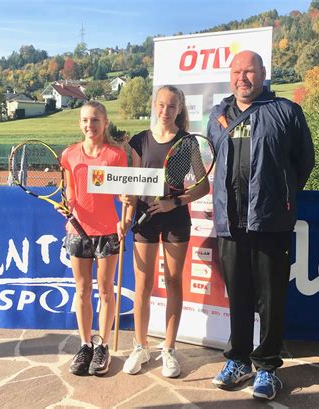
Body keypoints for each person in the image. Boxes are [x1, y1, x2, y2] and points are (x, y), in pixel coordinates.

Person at [207, 50, 315, 400]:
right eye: (237, 71)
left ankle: (267, 367)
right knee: (238, 296)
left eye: (249, 71)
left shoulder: (286, 112)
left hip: (271, 222)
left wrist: (279, 197)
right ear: (230, 75)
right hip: (230, 223)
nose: (243, 77)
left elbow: (304, 163)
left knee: (271, 298)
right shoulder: (218, 115)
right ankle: (238, 360)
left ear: (263, 72)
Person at [122, 85, 209, 378]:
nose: (165, 111)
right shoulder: (139, 141)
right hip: (145, 220)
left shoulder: (187, 142)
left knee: (173, 282)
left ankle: (169, 349)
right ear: (154, 105)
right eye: (161, 105)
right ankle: (140, 346)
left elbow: (203, 185)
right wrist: (126, 198)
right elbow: (131, 184)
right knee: (143, 287)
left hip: (175, 220)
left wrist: (176, 201)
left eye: (171, 106)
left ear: (179, 110)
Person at [61, 101, 128, 376]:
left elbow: (122, 193)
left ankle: (102, 346)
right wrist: (66, 205)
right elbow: (71, 191)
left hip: (107, 233)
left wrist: (124, 214)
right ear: (80, 123)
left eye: (96, 120)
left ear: (105, 122)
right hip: (78, 232)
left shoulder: (115, 155)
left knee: (106, 291)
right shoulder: (70, 155)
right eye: (86, 120)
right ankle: (85, 344)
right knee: (82, 291)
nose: (91, 125)